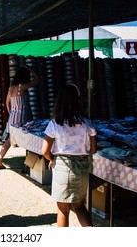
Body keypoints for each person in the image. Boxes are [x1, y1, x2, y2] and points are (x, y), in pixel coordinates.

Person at [41, 83, 97, 227]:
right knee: (79, 206)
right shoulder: (87, 123)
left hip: (63, 166)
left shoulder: (55, 124)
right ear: (77, 101)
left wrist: (52, 159)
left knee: (63, 209)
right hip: (83, 167)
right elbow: (92, 150)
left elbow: (44, 151)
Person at [0, 65, 39, 169]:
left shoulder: (11, 88)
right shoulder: (22, 87)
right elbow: (38, 80)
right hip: (22, 118)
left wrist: (11, 113)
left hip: (12, 117)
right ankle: (28, 165)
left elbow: (7, 103)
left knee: (9, 141)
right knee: (30, 140)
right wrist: (31, 69)